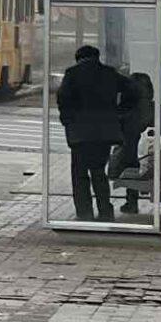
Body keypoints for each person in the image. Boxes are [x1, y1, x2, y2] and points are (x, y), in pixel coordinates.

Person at [58, 45, 137, 221]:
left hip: (80, 133)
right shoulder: (109, 73)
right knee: (99, 172)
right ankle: (105, 211)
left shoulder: (72, 73)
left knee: (79, 174)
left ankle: (84, 212)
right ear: (97, 57)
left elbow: (62, 99)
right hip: (104, 133)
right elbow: (132, 89)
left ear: (79, 58)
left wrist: (68, 119)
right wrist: (119, 111)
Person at [110, 71, 156, 215]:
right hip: (149, 155)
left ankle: (131, 202)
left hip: (128, 153)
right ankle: (131, 202)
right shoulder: (155, 108)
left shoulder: (124, 110)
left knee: (130, 170)